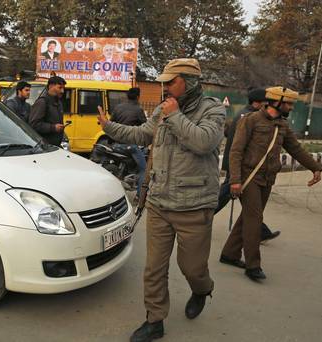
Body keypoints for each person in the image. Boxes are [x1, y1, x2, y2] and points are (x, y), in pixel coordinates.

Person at [98, 58, 225, 342]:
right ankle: (155, 320)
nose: (164, 87)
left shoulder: (212, 109)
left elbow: (204, 142)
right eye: (163, 82)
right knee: (154, 267)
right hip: (159, 202)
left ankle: (202, 288)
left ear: (189, 82)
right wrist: (109, 127)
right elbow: (142, 134)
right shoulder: (164, 109)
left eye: (171, 82)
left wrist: (176, 115)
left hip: (194, 206)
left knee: (192, 267)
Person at [221, 86, 322, 281]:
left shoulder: (282, 125)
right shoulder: (250, 120)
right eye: (289, 103)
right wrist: (235, 180)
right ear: (276, 101)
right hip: (248, 178)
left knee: (248, 218)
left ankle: (229, 254)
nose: (291, 107)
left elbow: (296, 149)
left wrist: (315, 167)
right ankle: (253, 266)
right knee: (254, 219)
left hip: (267, 180)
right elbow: (235, 151)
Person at [215, 87, 280, 242]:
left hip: (238, 164)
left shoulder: (244, 113)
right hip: (239, 164)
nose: (268, 105)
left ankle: (261, 231)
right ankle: (202, 218)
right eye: (266, 102)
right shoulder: (249, 116)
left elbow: (228, 132)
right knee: (228, 195)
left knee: (249, 202)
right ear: (258, 102)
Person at [110, 87, 147, 195]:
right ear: (137, 97)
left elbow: (111, 124)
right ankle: (140, 196)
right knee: (144, 170)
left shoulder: (118, 107)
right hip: (129, 146)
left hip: (115, 144)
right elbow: (145, 127)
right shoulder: (138, 109)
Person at [29, 76, 66, 146]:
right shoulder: (42, 102)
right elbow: (34, 125)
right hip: (43, 147)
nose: (62, 91)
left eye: (63, 88)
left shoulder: (59, 103)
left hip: (55, 146)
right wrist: (53, 127)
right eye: (60, 88)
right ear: (51, 86)